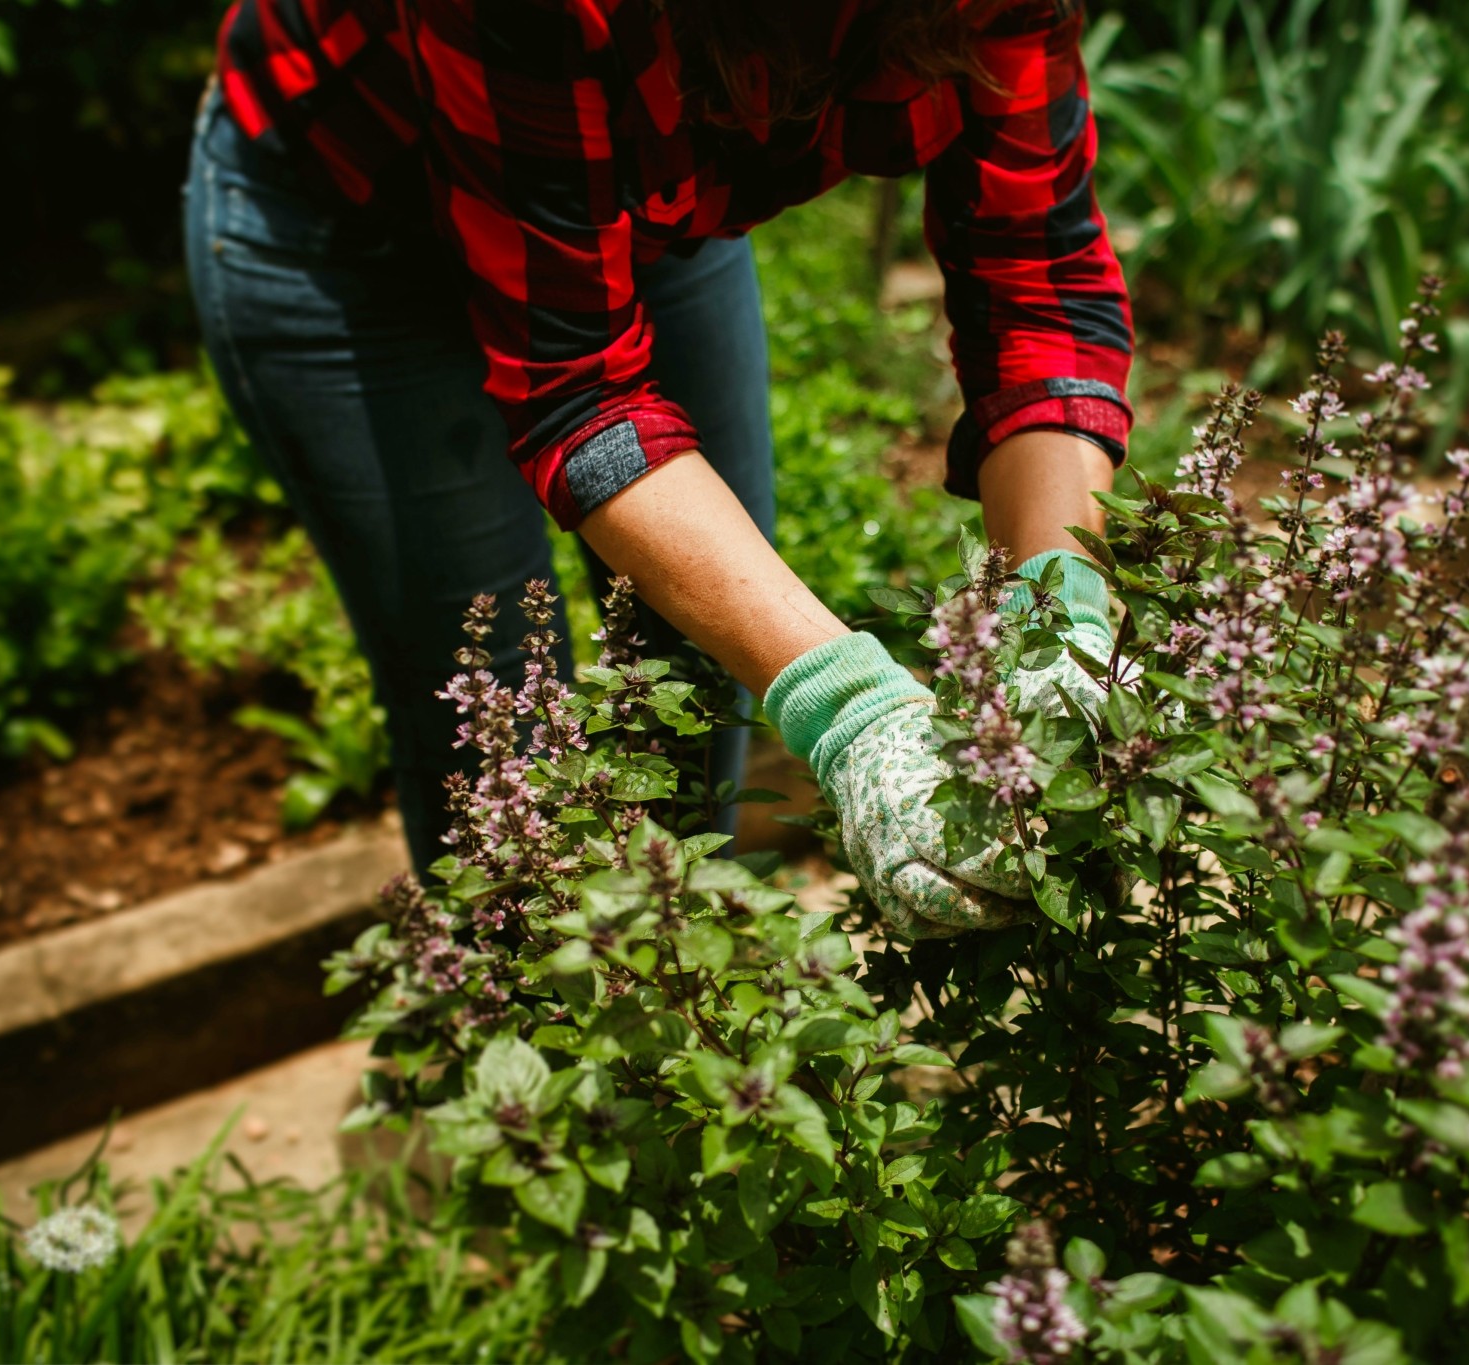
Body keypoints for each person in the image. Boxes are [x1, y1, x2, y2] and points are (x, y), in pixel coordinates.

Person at [185, 0, 1134, 937]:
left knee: (697, 672)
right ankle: (524, 1042)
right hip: (360, 232)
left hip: (632, 199)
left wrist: (1056, 619)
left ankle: (675, 1015)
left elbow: (1038, 286)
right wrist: (858, 713)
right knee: (504, 736)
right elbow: (581, 389)